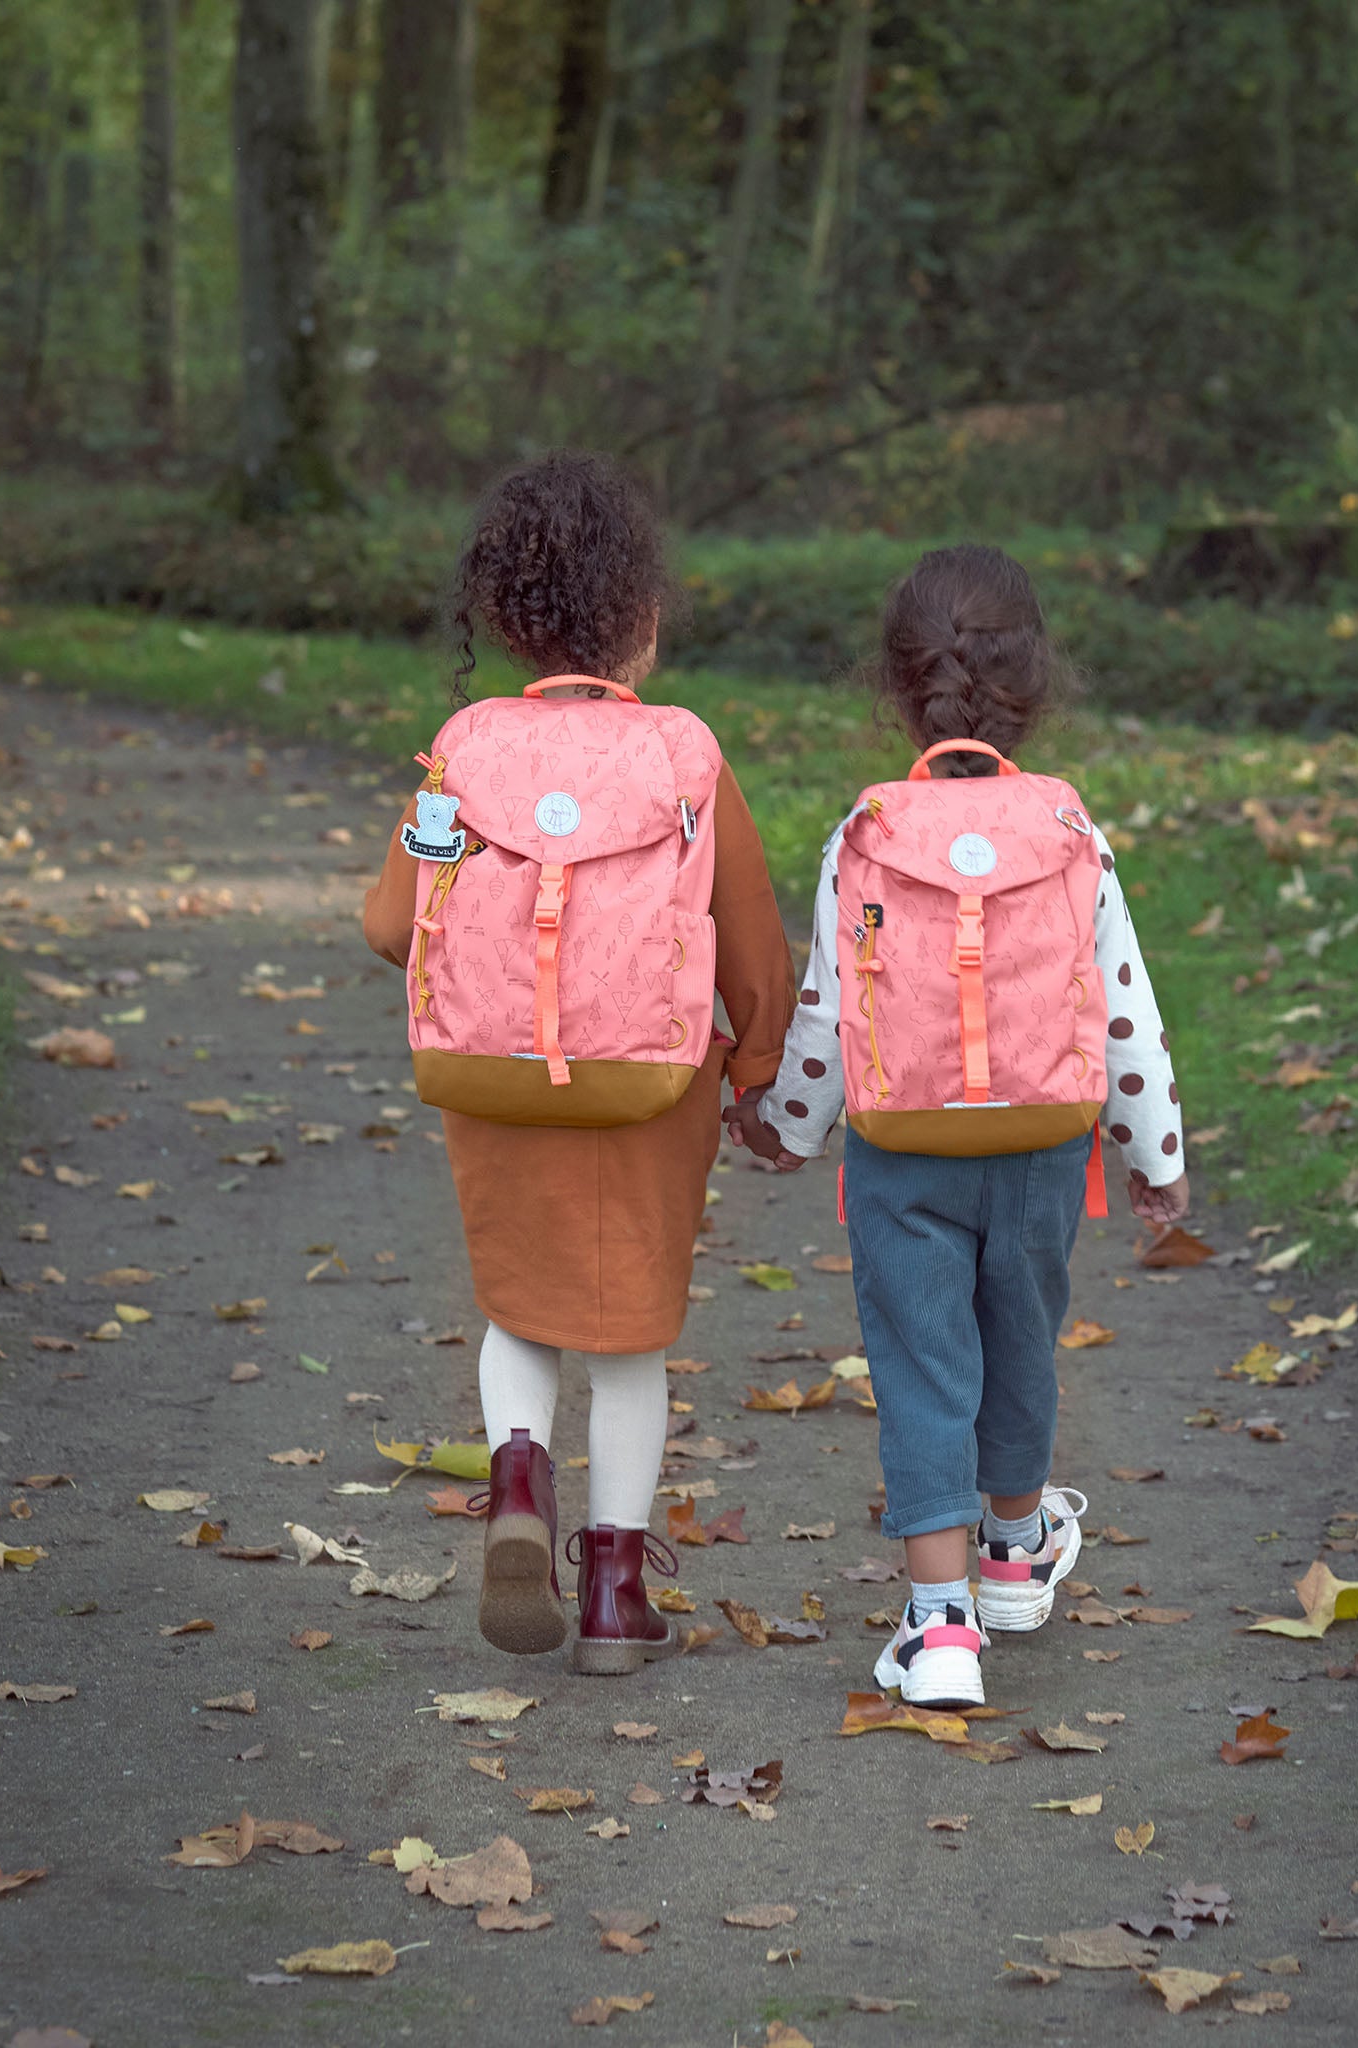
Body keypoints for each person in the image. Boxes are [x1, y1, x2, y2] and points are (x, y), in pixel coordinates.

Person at [725, 544, 1187, 1708]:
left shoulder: (869, 832)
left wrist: (787, 1122)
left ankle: (940, 1632)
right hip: (1041, 1145)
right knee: (1022, 1340)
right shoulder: (1071, 832)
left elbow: (830, 1009)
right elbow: (1122, 1010)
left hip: (903, 1152)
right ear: (1033, 677)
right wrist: (1155, 1156)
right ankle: (1016, 1553)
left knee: (924, 1365)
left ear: (897, 684)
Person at [364, 453, 795, 1675]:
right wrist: (760, 1068)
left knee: (520, 1307)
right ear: (642, 619)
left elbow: (397, 924)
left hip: (495, 1072)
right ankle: (613, 1597)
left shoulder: (461, 749)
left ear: (506, 617)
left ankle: (515, 1476)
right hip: (650, 1084)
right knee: (630, 1339)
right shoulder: (686, 753)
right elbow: (751, 930)